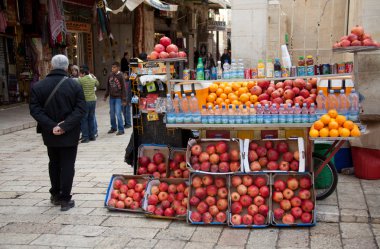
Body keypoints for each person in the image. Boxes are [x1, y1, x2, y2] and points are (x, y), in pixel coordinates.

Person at [29, 54, 86, 211]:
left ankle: (55, 194)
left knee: (53, 163)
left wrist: (51, 125)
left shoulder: (39, 86)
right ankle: (65, 199)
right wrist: (65, 125)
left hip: (50, 133)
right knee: (68, 164)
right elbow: (81, 109)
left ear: (52, 66)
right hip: (69, 133)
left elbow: (35, 110)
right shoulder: (75, 85)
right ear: (67, 67)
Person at [103, 61, 127, 135]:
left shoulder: (121, 76)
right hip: (112, 97)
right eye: (112, 67)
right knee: (112, 113)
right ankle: (113, 127)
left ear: (118, 68)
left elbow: (123, 88)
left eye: (114, 67)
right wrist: (106, 96)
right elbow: (107, 86)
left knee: (118, 113)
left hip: (118, 98)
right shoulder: (110, 75)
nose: (112, 69)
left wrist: (124, 99)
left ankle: (121, 129)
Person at [78, 65, 99, 143]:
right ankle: (92, 136)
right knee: (91, 118)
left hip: (85, 101)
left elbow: (75, 84)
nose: (79, 75)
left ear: (83, 74)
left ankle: (85, 137)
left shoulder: (81, 80)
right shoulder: (92, 79)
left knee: (84, 119)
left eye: (80, 74)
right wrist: (94, 77)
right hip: (93, 100)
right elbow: (97, 84)